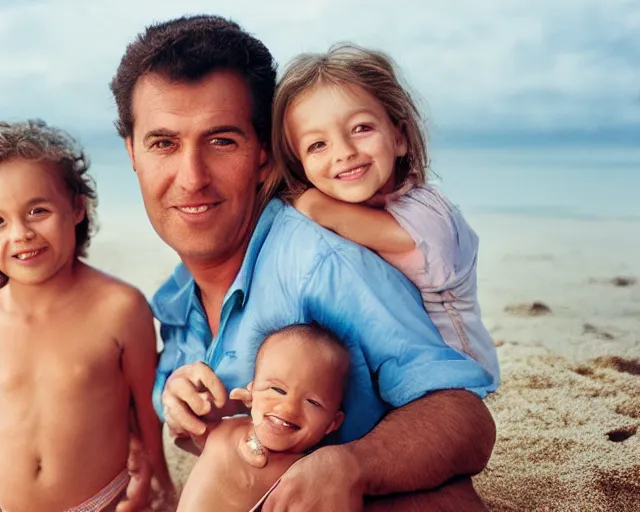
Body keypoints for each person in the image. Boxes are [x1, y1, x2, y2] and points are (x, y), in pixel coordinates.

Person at [110, 15, 497, 511]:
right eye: (164, 143)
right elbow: (201, 425)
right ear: (133, 153)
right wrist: (180, 404)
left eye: (222, 140)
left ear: (266, 157)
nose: (192, 178)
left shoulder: (325, 264)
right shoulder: (176, 297)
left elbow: (466, 419)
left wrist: (353, 465)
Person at [271, 43, 499, 382]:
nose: (344, 152)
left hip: (457, 375)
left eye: (361, 128)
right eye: (318, 144)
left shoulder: (429, 215)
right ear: (301, 164)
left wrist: (308, 201)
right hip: (398, 365)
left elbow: (326, 213)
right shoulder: (358, 208)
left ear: (400, 136)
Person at [0, 120, 172, 512]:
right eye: (0, 222)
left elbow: (148, 409)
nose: (21, 234)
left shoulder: (119, 307)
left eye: (38, 210)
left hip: (101, 502)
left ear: (77, 208)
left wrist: (161, 485)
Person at [176, 323, 350, 512]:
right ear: (251, 394)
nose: (289, 408)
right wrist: (212, 404)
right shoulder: (225, 428)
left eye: (312, 402)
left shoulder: (306, 474)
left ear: (332, 423)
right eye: (277, 389)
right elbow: (184, 434)